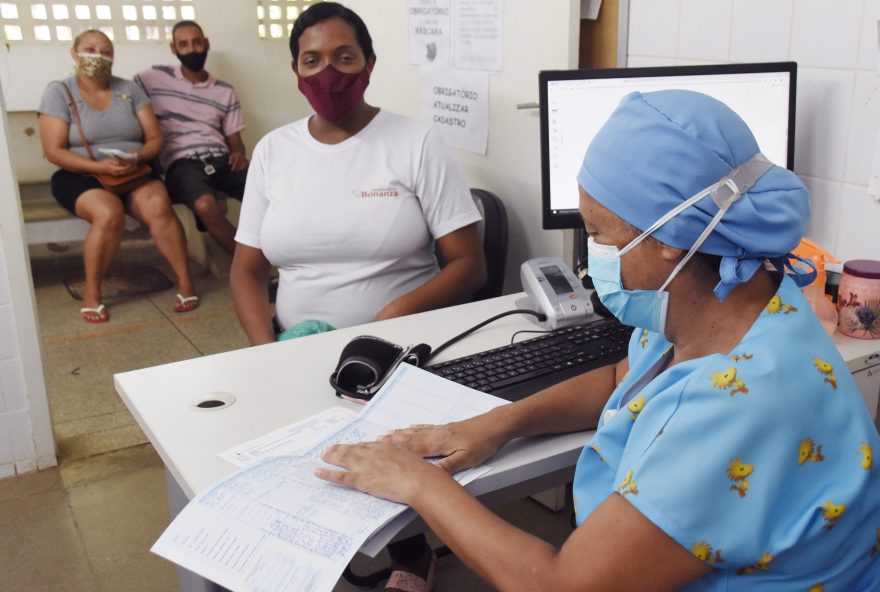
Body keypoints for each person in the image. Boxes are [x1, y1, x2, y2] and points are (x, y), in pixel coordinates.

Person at [315, 90, 880, 591]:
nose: (592, 258)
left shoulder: (740, 405)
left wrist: (418, 485)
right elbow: (622, 378)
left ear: (669, 238)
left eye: (598, 234)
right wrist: (493, 426)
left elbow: (565, 584)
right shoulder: (735, 304)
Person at [230, 3, 486, 588]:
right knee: (295, 474)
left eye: (344, 57)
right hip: (294, 349)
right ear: (295, 70)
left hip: (394, 356)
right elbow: (246, 270)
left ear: (369, 63)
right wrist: (264, 349)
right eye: (311, 60)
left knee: (379, 461)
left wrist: (394, 317)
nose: (328, 73)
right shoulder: (274, 151)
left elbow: (470, 264)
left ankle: (411, 554)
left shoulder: (416, 141)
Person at [39, 29, 198, 323]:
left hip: (132, 171)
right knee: (108, 213)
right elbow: (53, 150)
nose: (98, 56)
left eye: (106, 51)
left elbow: (154, 138)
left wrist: (137, 156)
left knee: (158, 207)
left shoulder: (129, 89)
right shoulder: (59, 92)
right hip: (81, 174)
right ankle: (92, 292)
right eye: (90, 49)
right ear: (75, 53)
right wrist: (99, 167)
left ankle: (185, 282)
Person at [135, 20, 248, 255]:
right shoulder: (152, 78)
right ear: (173, 49)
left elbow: (234, 139)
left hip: (222, 159)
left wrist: (238, 153)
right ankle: (249, 264)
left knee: (268, 195)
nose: (192, 49)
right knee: (205, 205)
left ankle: (285, 256)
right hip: (181, 162)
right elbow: (122, 97)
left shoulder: (225, 90)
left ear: (206, 43)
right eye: (183, 44)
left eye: (197, 42)